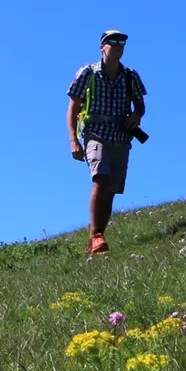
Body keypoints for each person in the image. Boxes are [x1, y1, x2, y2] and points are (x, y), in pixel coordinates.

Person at [66, 29, 145, 259]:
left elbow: (140, 105)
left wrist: (136, 116)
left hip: (121, 137)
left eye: (122, 42)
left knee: (110, 190)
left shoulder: (131, 76)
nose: (118, 46)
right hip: (95, 134)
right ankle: (98, 234)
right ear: (102, 46)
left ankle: (95, 237)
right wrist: (73, 140)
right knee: (101, 179)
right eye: (113, 42)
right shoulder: (87, 73)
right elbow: (73, 106)